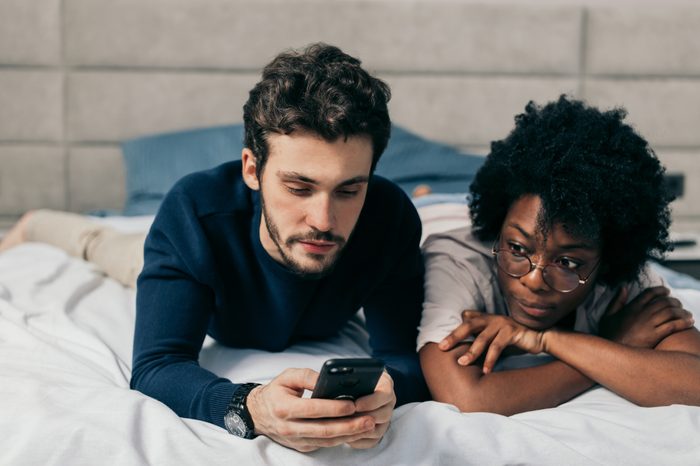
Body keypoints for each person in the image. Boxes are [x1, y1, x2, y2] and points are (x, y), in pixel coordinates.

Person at [1, 43, 430, 451]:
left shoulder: (389, 218)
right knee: (104, 245)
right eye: (299, 188)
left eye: (348, 190)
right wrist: (250, 407)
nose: (323, 220)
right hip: (193, 267)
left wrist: (389, 391)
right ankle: (39, 223)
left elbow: (403, 359)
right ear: (251, 169)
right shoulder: (193, 215)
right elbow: (158, 366)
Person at [417, 96, 700, 415]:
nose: (534, 281)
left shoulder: (621, 276)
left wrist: (547, 341)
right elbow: (467, 399)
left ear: (606, 261)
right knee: (426, 182)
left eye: (567, 262)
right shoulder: (458, 260)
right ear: (499, 234)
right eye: (517, 250)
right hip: (434, 214)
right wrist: (614, 346)